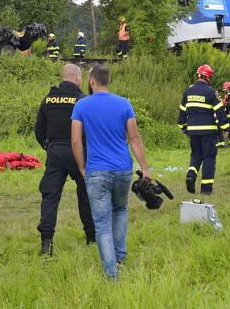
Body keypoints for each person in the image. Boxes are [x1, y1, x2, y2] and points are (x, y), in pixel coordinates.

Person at [71, 64, 150, 281]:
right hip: (123, 168)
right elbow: (134, 138)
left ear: (92, 81)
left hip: (97, 170)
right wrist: (144, 168)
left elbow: (76, 140)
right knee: (121, 210)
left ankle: (111, 272)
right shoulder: (124, 104)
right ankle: (120, 258)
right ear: (108, 81)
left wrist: (81, 166)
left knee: (102, 222)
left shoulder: (82, 105)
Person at [35, 64, 95, 255]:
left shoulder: (48, 99)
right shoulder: (82, 100)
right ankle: (91, 238)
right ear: (77, 78)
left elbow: (39, 130)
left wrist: (48, 146)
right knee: (86, 194)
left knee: (50, 197)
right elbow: (91, 130)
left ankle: (46, 244)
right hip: (79, 153)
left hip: (55, 152)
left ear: (63, 77)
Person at [177, 64, 229, 195]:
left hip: (193, 131)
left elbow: (182, 112)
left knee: (196, 155)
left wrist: (183, 127)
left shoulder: (188, 91)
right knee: (209, 158)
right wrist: (225, 127)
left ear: (198, 75)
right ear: (208, 77)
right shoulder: (210, 92)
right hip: (208, 132)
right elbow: (220, 111)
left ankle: (191, 175)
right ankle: (206, 190)